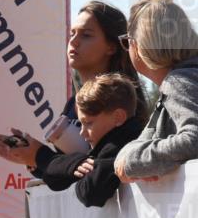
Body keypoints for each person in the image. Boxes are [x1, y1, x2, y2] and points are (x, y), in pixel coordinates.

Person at [0, 0, 147, 173]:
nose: (74, 42)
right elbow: (67, 173)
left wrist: (40, 156)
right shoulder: (72, 104)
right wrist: (29, 157)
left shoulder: (122, 98)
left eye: (86, 35)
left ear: (111, 47)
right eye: (72, 34)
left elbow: (101, 170)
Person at [115, 0, 198, 183]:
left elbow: (194, 141)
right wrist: (132, 160)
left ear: (139, 45)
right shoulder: (182, 79)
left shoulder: (179, 81)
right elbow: (136, 146)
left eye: (128, 40)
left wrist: (133, 163)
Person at [36, 73, 142, 207]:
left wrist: (79, 172)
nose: (82, 132)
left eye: (89, 123)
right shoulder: (108, 144)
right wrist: (75, 164)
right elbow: (52, 179)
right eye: (81, 124)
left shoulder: (120, 145)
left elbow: (90, 193)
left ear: (118, 117)